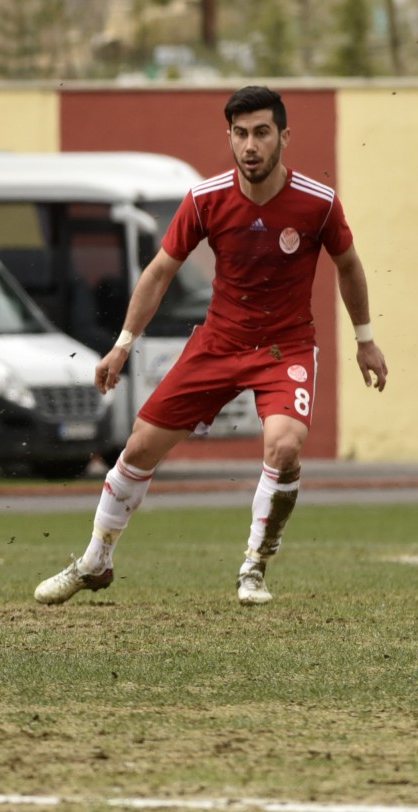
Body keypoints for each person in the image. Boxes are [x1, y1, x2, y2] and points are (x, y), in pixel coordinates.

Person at [33, 85, 387, 608]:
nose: (250, 145)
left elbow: (350, 266)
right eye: (240, 134)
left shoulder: (318, 203)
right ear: (229, 137)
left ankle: (254, 566)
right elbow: (159, 273)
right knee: (138, 448)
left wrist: (365, 340)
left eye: (262, 132)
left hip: (283, 348)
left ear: (284, 137)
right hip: (218, 343)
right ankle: (94, 561)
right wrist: (123, 345)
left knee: (285, 446)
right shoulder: (205, 199)